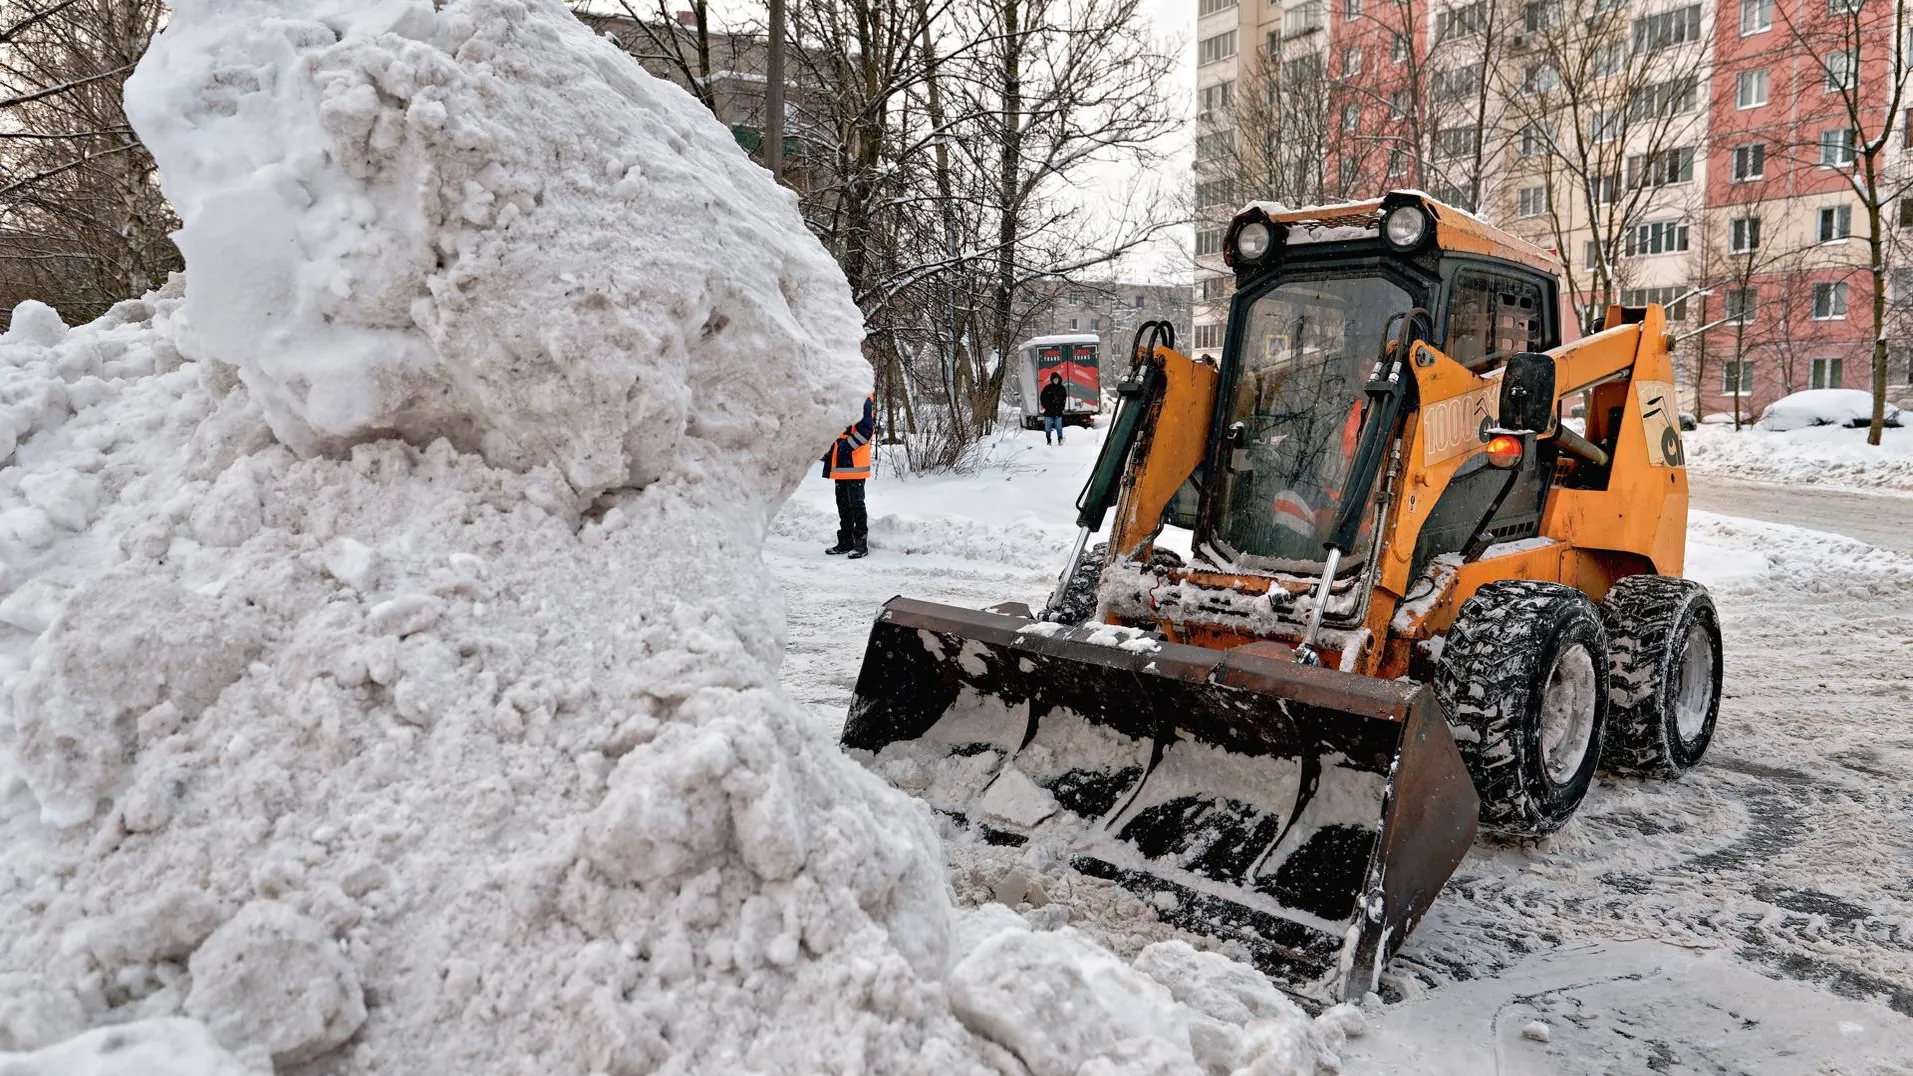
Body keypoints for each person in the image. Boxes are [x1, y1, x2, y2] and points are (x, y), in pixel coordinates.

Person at [822, 392, 875, 558]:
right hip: (841, 461)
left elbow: (866, 430)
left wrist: (844, 447)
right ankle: (845, 541)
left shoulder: (862, 397)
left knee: (856, 504)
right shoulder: (842, 396)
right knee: (843, 504)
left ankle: (861, 544)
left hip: (854, 461)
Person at [1039, 372, 1069, 445]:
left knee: (1059, 427)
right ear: (1052, 380)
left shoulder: (1062, 388)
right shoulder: (1047, 388)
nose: (1056, 380)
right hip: (1048, 412)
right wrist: (1046, 406)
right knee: (1047, 428)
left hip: (1058, 412)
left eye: (1057, 379)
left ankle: (1060, 439)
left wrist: (1061, 408)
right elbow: (1042, 398)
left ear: (1059, 379)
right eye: (1054, 379)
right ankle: (1048, 440)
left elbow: (1064, 399)